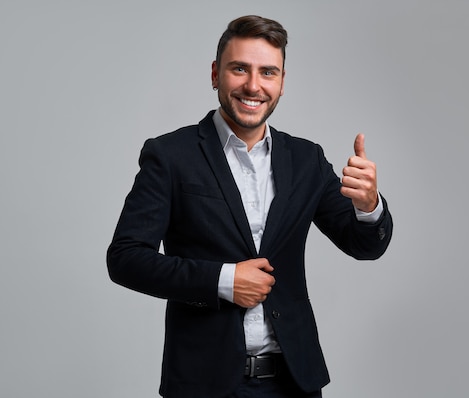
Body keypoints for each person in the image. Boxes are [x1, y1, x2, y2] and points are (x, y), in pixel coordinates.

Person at [107, 15, 393, 398]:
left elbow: (365, 245)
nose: (253, 86)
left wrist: (369, 204)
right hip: (203, 385)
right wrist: (223, 282)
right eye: (239, 69)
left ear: (282, 83)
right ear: (215, 74)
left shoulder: (307, 160)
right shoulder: (170, 155)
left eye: (268, 72)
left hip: (295, 382)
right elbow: (125, 259)